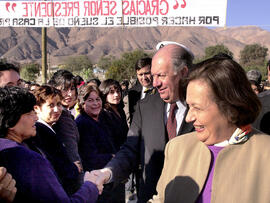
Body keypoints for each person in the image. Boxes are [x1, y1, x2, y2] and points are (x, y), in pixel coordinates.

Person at [149, 56, 270, 203]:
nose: (189, 117)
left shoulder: (265, 154)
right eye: (189, 106)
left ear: (231, 108)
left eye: (197, 108)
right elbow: (160, 199)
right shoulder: (176, 148)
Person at [91, 43, 194, 203]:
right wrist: (108, 173)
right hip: (150, 197)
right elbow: (130, 149)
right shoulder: (145, 107)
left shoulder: (203, 108)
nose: (155, 83)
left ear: (183, 73)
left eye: (162, 75)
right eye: (154, 76)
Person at [0, 86, 99, 202]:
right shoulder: (29, 160)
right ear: (10, 121)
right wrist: (91, 186)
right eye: (29, 113)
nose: (35, 117)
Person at [30, 85, 82, 195]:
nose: (56, 109)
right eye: (51, 105)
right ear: (37, 108)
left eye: (59, 104)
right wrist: (73, 168)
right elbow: (53, 167)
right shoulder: (40, 132)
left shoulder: (51, 128)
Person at [76, 84, 124, 203]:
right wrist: (112, 157)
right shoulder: (82, 123)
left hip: (113, 178)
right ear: (83, 103)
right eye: (90, 100)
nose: (96, 103)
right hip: (98, 182)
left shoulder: (104, 117)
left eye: (98, 99)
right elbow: (88, 157)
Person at [99, 79, 129, 151]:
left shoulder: (120, 110)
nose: (116, 95)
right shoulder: (103, 114)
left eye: (118, 91)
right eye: (111, 92)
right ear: (104, 94)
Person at [128, 57, 153, 123]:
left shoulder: (161, 90)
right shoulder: (133, 93)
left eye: (147, 73)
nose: (144, 78)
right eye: (140, 74)